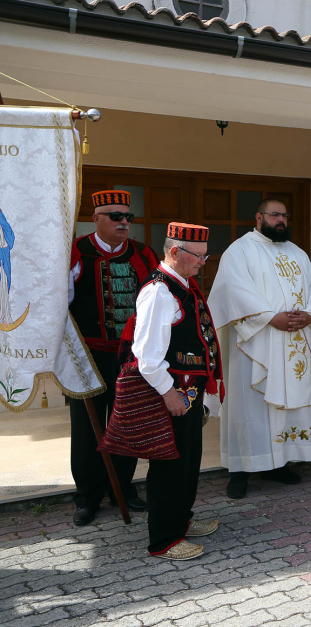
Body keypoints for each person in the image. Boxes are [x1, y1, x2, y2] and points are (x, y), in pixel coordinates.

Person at [207, 199, 311, 499]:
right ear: (259, 217)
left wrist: (309, 315)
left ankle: (280, 463)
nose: (281, 220)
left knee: (287, 407)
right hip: (256, 343)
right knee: (249, 407)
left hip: (294, 340)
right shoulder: (240, 250)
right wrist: (269, 317)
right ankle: (239, 470)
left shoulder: (297, 252)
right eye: (275, 215)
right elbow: (233, 290)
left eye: (285, 215)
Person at [130, 223, 222, 560]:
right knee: (169, 465)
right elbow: (147, 355)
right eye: (198, 256)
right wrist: (169, 393)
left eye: (204, 255)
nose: (203, 262)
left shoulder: (184, 286)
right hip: (170, 394)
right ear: (174, 252)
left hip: (187, 394)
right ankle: (164, 539)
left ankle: (181, 520)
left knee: (188, 461)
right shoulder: (159, 292)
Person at [67, 190, 157, 525]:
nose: (123, 223)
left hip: (129, 358)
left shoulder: (143, 254)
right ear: (97, 219)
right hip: (87, 358)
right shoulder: (76, 252)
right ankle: (87, 497)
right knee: (87, 428)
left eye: (128, 217)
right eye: (115, 216)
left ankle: (123, 489)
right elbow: (60, 304)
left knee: (126, 424)